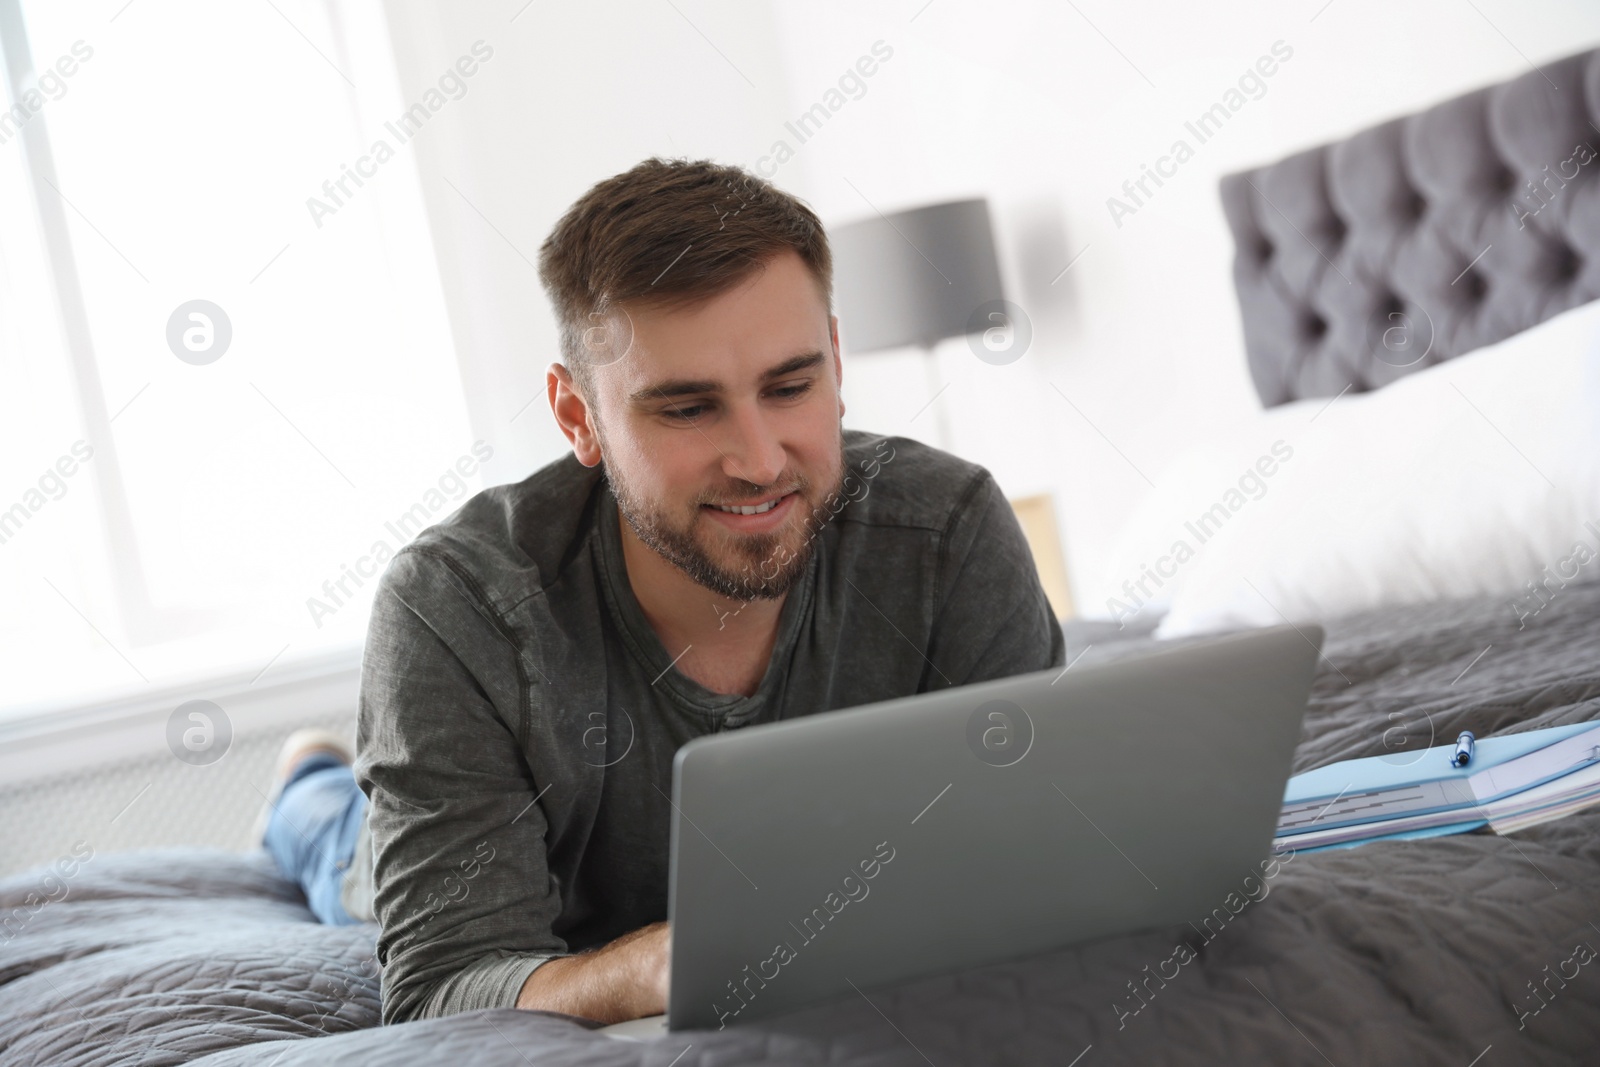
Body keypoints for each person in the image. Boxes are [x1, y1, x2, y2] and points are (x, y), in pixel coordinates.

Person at [261, 156, 1065, 1028]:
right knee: (342, 851)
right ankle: (309, 780)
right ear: (578, 417)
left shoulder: (949, 530)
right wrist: (663, 964)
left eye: (791, 386)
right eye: (687, 409)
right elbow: (442, 986)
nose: (759, 461)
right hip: (468, 873)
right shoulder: (456, 606)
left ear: (836, 358)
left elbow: (1041, 856)